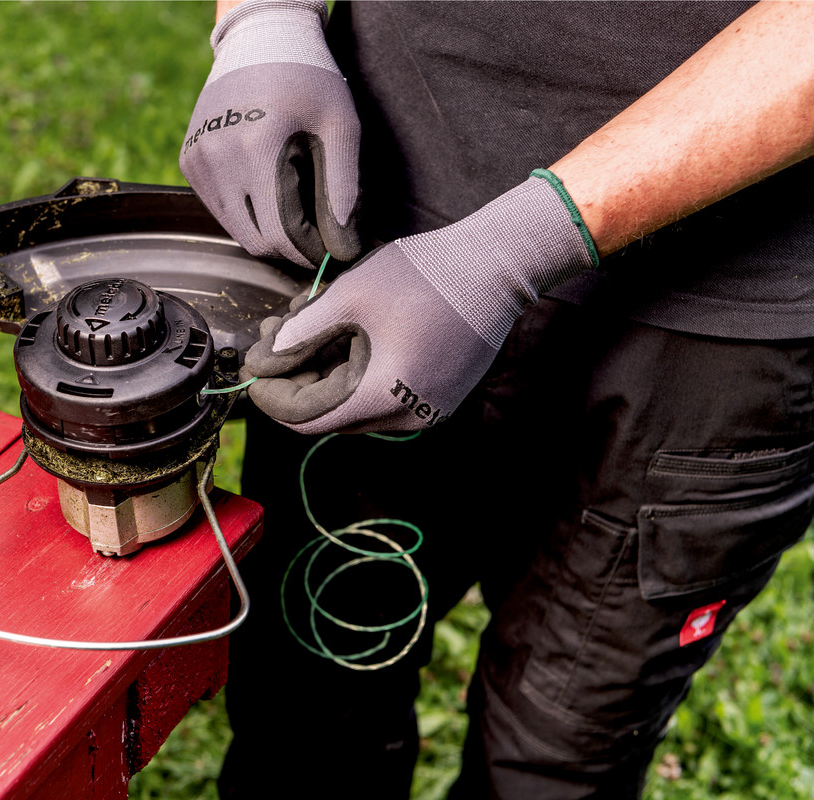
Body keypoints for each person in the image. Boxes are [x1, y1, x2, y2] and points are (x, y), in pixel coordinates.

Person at [178, 1, 814, 797]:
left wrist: (518, 246)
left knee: (551, 765)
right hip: (377, 223)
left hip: (721, 322)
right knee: (305, 705)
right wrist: (264, 20)